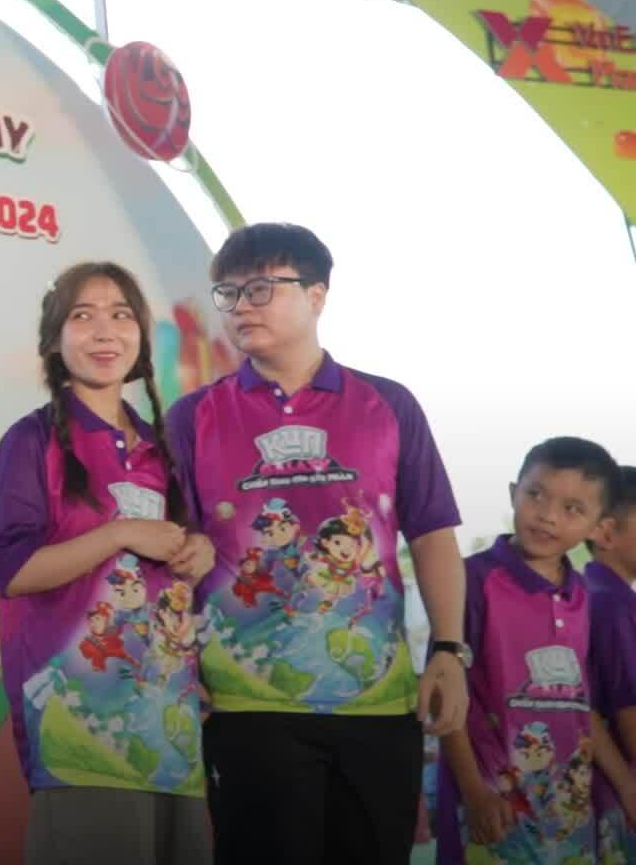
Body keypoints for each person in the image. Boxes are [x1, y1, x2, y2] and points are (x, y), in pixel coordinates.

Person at [163, 222, 470, 865]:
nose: (241, 306)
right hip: (245, 705)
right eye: (228, 293)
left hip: (377, 703)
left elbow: (433, 535)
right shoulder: (194, 417)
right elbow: (169, 555)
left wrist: (447, 648)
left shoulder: (388, 405)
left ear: (317, 295)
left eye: (260, 288)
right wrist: (177, 667)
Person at [0, 261, 214, 863]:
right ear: (54, 341)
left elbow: (182, 552)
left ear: (141, 336)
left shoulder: (162, 448)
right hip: (82, 729)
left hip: (171, 725)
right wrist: (120, 533)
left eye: (121, 315)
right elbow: (15, 572)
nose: (105, 331)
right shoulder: (31, 441)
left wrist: (200, 550)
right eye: (82, 317)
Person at [434, 438, 633, 862]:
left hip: (567, 814)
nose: (547, 515)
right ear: (513, 493)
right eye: (536, 495)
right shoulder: (470, 580)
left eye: (572, 508)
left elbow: (582, 708)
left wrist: (627, 786)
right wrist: (474, 791)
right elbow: (443, 693)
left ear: (599, 527)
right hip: (492, 809)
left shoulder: (583, 597)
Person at [588, 465, 636, 859]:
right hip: (619, 792)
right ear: (605, 533)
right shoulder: (612, 604)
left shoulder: (589, 593)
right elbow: (628, 709)